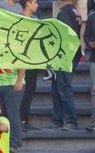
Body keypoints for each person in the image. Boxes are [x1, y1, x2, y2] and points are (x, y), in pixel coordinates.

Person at [50, 0, 82, 130]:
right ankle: (57, 120)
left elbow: (64, 35)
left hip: (65, 55)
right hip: (72, 53)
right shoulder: (74, 11)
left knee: (63, 87)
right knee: (57, 86)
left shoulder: (63, 13)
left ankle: (71, 121)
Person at [0, 59, 24, 152]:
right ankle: (1, 142)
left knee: (12, 114)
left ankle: (15, 143)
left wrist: (20, 80)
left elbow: (22, 62)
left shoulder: (15, 44)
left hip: (13, 83)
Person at [19, 0, 39, 131]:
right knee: (25, 90)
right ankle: (21, 120)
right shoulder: (20, 18)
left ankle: (24, 119)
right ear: (27, 3)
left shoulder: (35, 19)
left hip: (34, 59)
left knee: (30, 90)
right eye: (35, 2)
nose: (37, 5)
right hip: (24, 59)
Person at [84, 3, 95, 131]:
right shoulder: (92, 17)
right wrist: (90, 43)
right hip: (94, 59)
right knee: (94, 92)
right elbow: (86, 36)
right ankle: (94, 122)